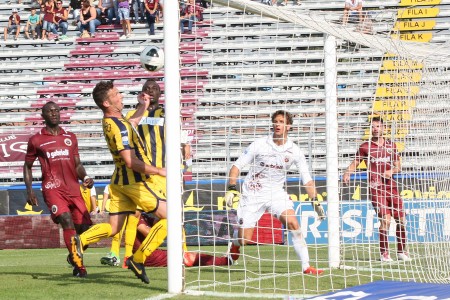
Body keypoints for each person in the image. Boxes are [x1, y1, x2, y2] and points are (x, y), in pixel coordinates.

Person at [69, 81, 167, 284]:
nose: (121, 96)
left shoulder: (112, 121)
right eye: (116, 94)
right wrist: (160, 170)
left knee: (114, 227)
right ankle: (138, 259)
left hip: (119, 183)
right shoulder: (119, 125)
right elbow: (131, 162)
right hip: (135, 183)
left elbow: (130, 126)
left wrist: (142, 106)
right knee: (173, 218)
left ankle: (81, 240)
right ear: (106, 102)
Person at [224, 110, 325, 275]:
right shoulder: (259, 144)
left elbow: (307, 179)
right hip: (252, 194)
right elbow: (236, 166)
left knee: (293, 223)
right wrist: (231, 188)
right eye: (276, 121)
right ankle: (235, 243)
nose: (278, 124)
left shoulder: (295, 151)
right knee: (244, 240)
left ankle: (306, 267)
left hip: (276, 194)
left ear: (289, 126)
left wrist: (315, 200)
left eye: (281, 122)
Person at [23, 101, 94, 277]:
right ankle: (80, 267)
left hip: (74, 188)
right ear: (43, 116)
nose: (54, 113)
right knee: (66, 220)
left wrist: (85, 177)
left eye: (56, 110)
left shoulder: (70, 137)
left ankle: (73, 255)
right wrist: (29, 190)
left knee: (85, 230)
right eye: (50, 111)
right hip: (52, 188)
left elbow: (77, 165)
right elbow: (27, 166)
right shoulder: (36, 140)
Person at [343, 116, 411, 262]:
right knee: (385, 220)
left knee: (401, 219)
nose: (375, 129)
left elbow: (398, 166)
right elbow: (355, 162)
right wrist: (347, 172)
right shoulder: (365, 147)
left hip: (391, 187)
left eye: (378, 126)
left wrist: (391, 171)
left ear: (383, 128)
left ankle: (401, 251)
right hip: (376, 188)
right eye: (373, 127)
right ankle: (384, 253)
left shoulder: (391, 146)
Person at [135, 213, 234, 267]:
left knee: (188, 256)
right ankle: (225, 261)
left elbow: (159, 222)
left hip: (151, 253)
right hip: (145, 256)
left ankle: (225, 259)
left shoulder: (144, 215)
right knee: (190, 257)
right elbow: (147, 232)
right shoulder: (134, 216)